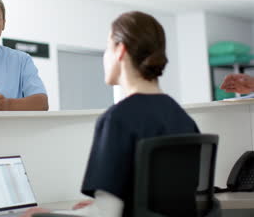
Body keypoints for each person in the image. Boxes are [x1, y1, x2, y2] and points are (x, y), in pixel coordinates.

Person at [21, 11, 200, 217]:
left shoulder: (118, 118)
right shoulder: (183, 118)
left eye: (108, 47)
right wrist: (97, 206)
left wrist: (46, 214)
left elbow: (106, 214)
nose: (105, 56)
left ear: (120, 50)